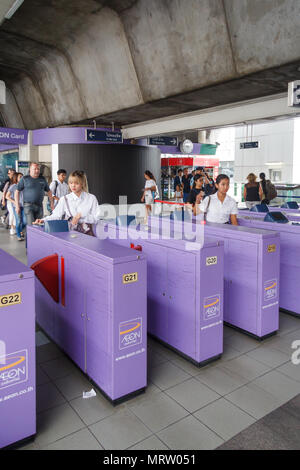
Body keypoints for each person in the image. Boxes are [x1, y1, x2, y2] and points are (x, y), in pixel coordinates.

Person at [34, 170, 99, 237]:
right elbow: (56, 215)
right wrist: (43, 220)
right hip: (71, 234)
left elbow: (96, 218)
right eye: (71, 183)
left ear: (82, 183)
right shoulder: (64, 199)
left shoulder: (91, 198)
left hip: (88, 235)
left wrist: (81, 217)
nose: (73, 185)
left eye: (76, 183)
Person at [15, 162, 54, 226]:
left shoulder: (42, 179)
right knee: (31, 225)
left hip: (39, 206)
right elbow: (17, 192)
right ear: (30, 169)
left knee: (39, 226)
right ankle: (28, 236)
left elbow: (49, 191)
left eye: (38, 169)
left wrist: (51, 203)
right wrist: (17, 205)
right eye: (35, 169)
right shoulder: (25, 179)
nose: (37, 171)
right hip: (28, 206)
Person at [6, 172, 26, 241]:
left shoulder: (24, 186)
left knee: (25, 221)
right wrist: (14, 202)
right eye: (20, 177)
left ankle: (20, 230)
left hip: (24, 206)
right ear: (16, 178)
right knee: (18, 221)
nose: (22, 178)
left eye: (22, 176)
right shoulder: (13, 186)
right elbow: (7, 196)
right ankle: (19, 235)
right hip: (16, 207)